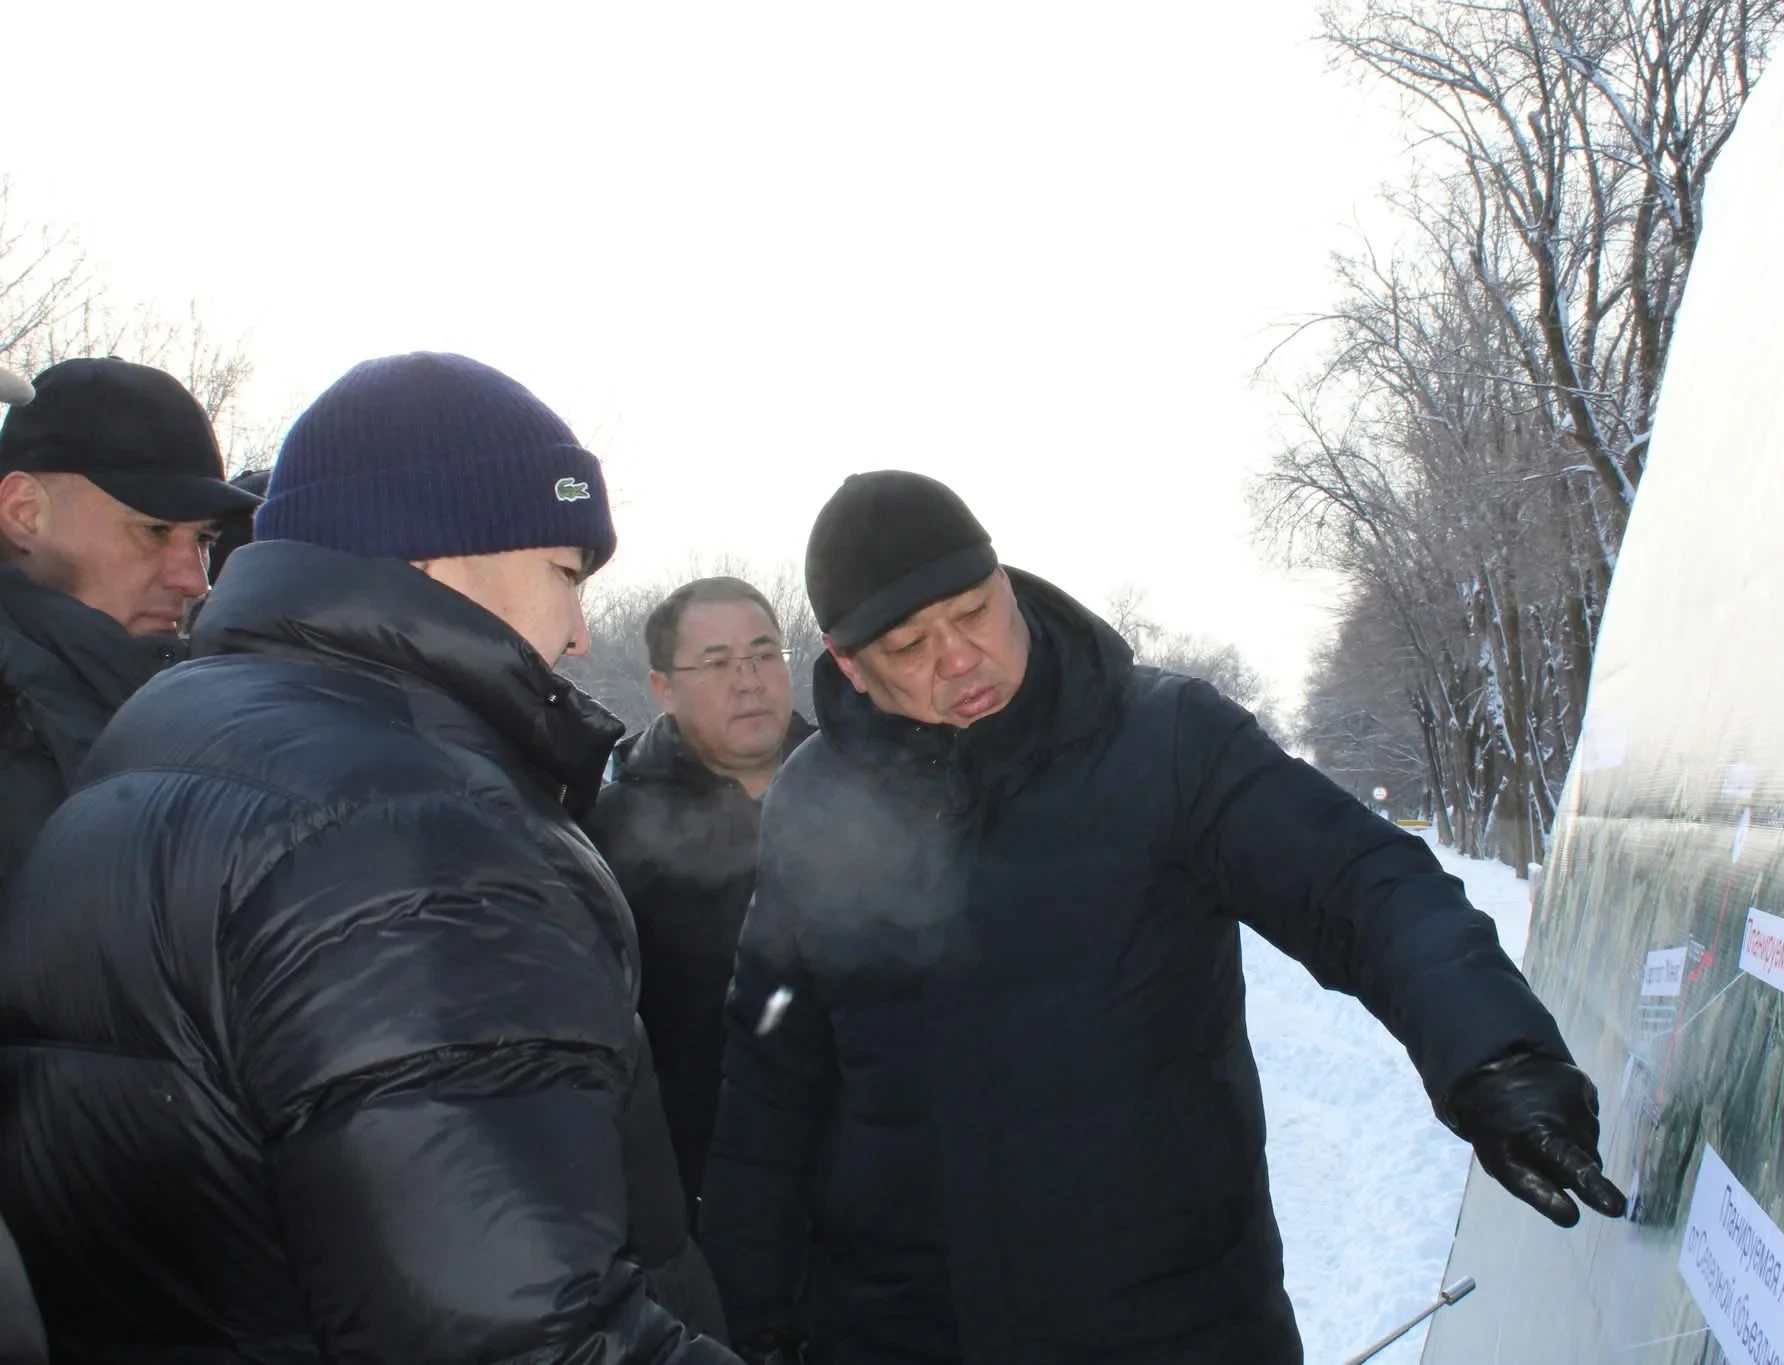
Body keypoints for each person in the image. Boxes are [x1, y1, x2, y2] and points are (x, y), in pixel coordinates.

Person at [698, 471, 1626, 1365]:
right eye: (909, 646)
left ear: (1006, 581)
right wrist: (753, 1317)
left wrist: (1493, 1052)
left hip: (1173, 1323)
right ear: (850, 667)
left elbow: (1362, 887)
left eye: (974, 611)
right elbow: (772, 1076)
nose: (959, 657)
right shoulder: (813, 801)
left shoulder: (1167, 739)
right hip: (902, 1333)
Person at [0, 353, 741, 1363]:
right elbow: (519, 1332)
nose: (576, 635)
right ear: (431, 556)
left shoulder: (165, 735)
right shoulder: (414, 833)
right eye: (564, 575)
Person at [585, 577, 815, 1214]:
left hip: (871, 1190)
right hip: (694, 1194)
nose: (749, 681)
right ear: (663, 688)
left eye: (764, 655)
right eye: (717, 663)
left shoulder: (862, 791)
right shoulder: (607, 835)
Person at [0, 357, 258, 890]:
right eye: (154, 530)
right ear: (24, 512)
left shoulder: (199, 720)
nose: (195, 581)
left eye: (204, 540)